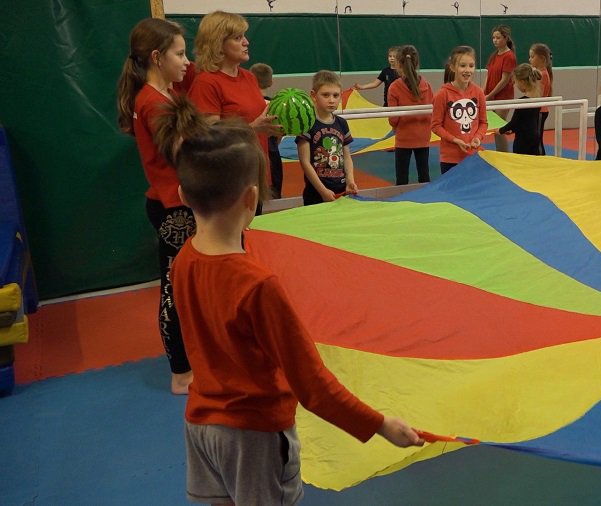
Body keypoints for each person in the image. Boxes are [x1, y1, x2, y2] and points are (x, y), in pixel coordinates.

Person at [152, 97, 424, 506]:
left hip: (200, 428)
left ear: (181, 193)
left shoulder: (184, 261)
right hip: (254, 438)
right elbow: (312, 384)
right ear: (251, 199)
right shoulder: (257, 284)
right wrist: (381, 424)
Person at [115, 17, 194, 395]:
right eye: (180, 54)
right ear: (157, 56)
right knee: (174, 290)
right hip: (174, 210)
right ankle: (180, 372)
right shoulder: (152, 102)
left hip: (179, 205)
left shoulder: (162, 97)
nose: (186, 61)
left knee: (189, 286)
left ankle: (193, 358)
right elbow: (185, 154)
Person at [187, 10, 281, 207]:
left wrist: (277, 127)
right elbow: (207, 137)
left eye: (244, 36)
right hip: (227, 179)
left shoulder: (249, 77)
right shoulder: (207, 82)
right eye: (238, 38)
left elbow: (258, 120)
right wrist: (253, 128)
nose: (246, 42)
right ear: (218, 44)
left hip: (254, 171)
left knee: (250, 234)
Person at [297, 70, 357, 205]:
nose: (331, 100)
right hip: (316, 192)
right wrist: (322, 190)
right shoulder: (308, 124)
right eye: (325, 95)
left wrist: (350, 180)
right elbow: (305, 162)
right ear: (313, 95)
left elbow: (346, 156)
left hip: (341, 189)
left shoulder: (342, 123)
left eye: (336, 95)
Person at [432, 46, 488, 174]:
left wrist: (478, 138)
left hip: (473, 156)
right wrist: (455, 140)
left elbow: (483, 122)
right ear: (453, 67)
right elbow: (436, 126)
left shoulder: (478, 92)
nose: (467, 70)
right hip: (450, 159)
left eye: (471, 66)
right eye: (463, 66)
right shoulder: (442, 95)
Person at [388, 45, 434, 185]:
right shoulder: (426, 85)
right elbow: (432, 113)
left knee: (401, 178)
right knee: (424, 175)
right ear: (417, 63)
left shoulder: (395, 87)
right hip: (423, 136)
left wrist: (396, 124)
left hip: (404, 137)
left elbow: (393, 119)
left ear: (399, 64)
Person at [249, 62, 285, 199]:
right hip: (272, 152)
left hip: (254, 151)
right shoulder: (275, 106)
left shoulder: (251, 105)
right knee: (273, 193)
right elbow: (279, 134)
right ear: (271, 82)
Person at [484, 25, 517, 152]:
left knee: (499, 128)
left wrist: (490, 94)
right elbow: (488, 74)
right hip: (491, 95)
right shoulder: (494, 55)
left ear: (505, 38)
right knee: (494, 128)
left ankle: (503, 153)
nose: (495, 40)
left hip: (503, 97)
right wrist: (483, 92)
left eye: (498, 38)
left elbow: (504, 80)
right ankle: (500, 151)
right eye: (493, 38)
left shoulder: (509, 56)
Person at [498, 64, 543, 155]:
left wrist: (500, 130)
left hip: (523, 140)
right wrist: (512, 130)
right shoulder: (538, 98)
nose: (515, 85)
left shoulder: (522, 102)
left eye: (515, 82)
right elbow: (526, 121)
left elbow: (514, 122)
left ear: (522, 82)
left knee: (521, 164)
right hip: (535, 137)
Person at [529, 43, 554, 155]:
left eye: (532, 57)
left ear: (542, 59)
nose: (530, 59)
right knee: (535, 138)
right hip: (538, 110)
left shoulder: (542, 74)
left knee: (537, 140)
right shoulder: (540, 73)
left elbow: (538, 94)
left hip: (540, 111)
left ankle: (541, 159)